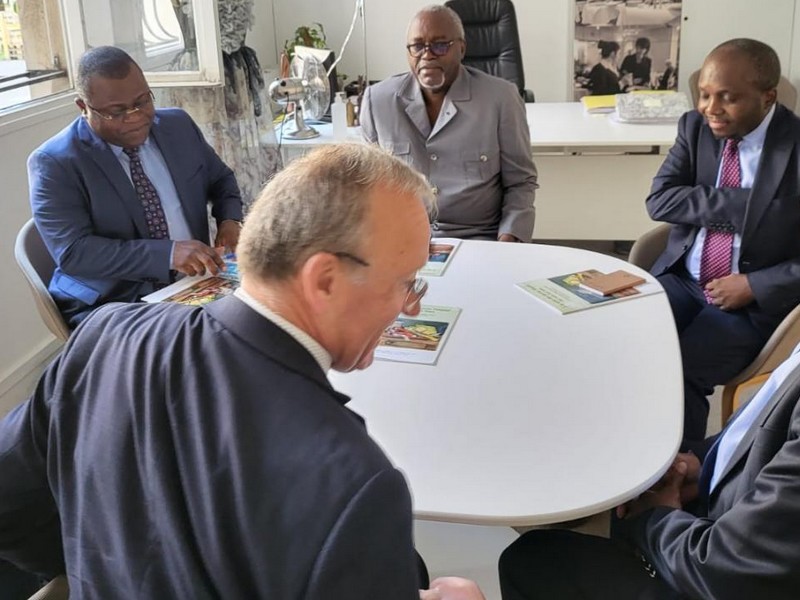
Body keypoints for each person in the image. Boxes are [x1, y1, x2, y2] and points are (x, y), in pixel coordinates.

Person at [0, 144, 485, 600]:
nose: (409, 308)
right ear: (325, 280)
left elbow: (11, 506)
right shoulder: (355, 485)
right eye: (405, 284)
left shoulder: (104, 335)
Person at [499, 340, 800, 599]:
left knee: (530, 559)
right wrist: (700, 467)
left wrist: (656, 515)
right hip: (742, 527)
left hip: (723, 571)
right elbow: (765, 436)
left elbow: (732, 571)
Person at [645, 38, 800, 450]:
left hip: (752, 302)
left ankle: (678, 473)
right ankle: (629, 444)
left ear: (768, 97)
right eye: (705, 95)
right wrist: (749, 206)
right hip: (683, 277)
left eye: (727, 98)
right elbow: (659, 200)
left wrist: (754, 284)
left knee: (682, 367)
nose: (711, 109)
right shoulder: (695, 128)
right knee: (619, 338)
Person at [28, 46, 244, 329]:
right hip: (114, 301)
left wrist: (229, 219)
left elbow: (220, 179)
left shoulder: (177, 126)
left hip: (195, 282)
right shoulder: (55, 162)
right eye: (116, 112)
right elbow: (75, 253)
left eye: (142, 101)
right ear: (83, 107)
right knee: (210, 347)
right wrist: (167, 254)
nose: (135, 117)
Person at [360, 5, 537, 242]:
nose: (427, 54)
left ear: (461, 49)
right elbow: (369, 187)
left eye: (440, 45)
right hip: (403, 238)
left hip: (479, 238)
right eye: (417, 46)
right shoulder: (378, 101)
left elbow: (520, 182)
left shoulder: (501, 98)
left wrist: (508, 240)